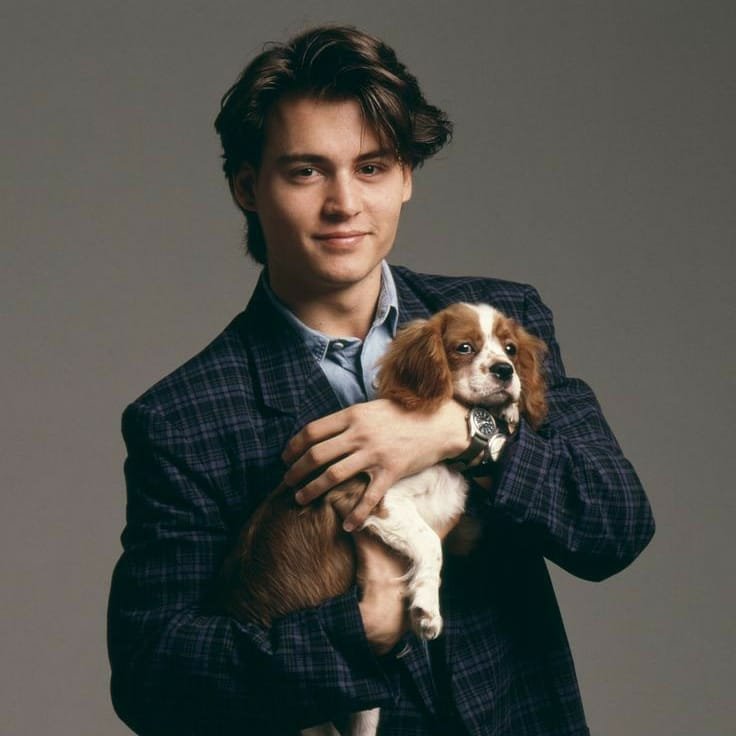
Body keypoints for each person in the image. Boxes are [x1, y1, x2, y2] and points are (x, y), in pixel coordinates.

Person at [107, 25, 655, 736]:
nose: (344, 203)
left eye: (371, 167)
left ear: (406, 178)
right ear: (247, 187)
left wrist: (461, 432)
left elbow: (615, 526)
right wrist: (360, 625)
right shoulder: (183, 416)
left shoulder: (503, 320)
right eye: (305, 171)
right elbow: (153, 678)